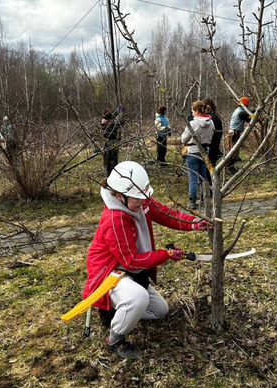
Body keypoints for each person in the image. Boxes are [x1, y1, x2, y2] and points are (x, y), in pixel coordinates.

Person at [83, 160, 210, 359]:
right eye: (137, 200)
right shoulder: (115, 220)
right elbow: (131, 261)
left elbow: (167, 214)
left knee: (160, 311)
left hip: (132, 272)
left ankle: (123, 310)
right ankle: (115, 339)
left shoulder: (139, 200)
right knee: (137, 299)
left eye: (144, 198)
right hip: (111, 273)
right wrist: (165, 255)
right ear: (119, 196)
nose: (143, 203)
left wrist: (194, 223)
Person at [180, 100, 215, 209]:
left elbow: (183, 138)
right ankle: (205, 198)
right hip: (205, 151)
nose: (192, 113)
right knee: (203, 177)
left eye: (193, 110)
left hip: (193, 151)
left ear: (197, 111)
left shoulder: (193, 123)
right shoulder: (211, 122)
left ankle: (192, 201)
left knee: (193, 178)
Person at [226, 96, 252, 173]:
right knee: (234, 152)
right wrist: (258, 117)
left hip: (233, 132)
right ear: (246, 105)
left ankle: (230, 167)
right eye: (248, 105)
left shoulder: (238, 110)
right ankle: (229, 168)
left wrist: (254, 112)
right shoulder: (241, 112)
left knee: (234, 151)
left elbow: (248, 114)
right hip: (234, 133)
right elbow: (249, 119)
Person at [101, 106, 125, 176]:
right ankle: (111, 174)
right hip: (111, 143)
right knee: (112, 161)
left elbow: (115, 118)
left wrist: (117, 111)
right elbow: (120, 121)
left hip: (109, 143)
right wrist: (121, 112)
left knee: (110, 160)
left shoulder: (106, 122)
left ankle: (111, 173)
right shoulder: (109, 124)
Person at [203, 98, 223, 167]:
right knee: (210, 165)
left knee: (209, 165)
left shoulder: (212, 118)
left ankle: (209, 177)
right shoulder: (215, 117)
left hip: (211, 145)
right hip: (213, 146)